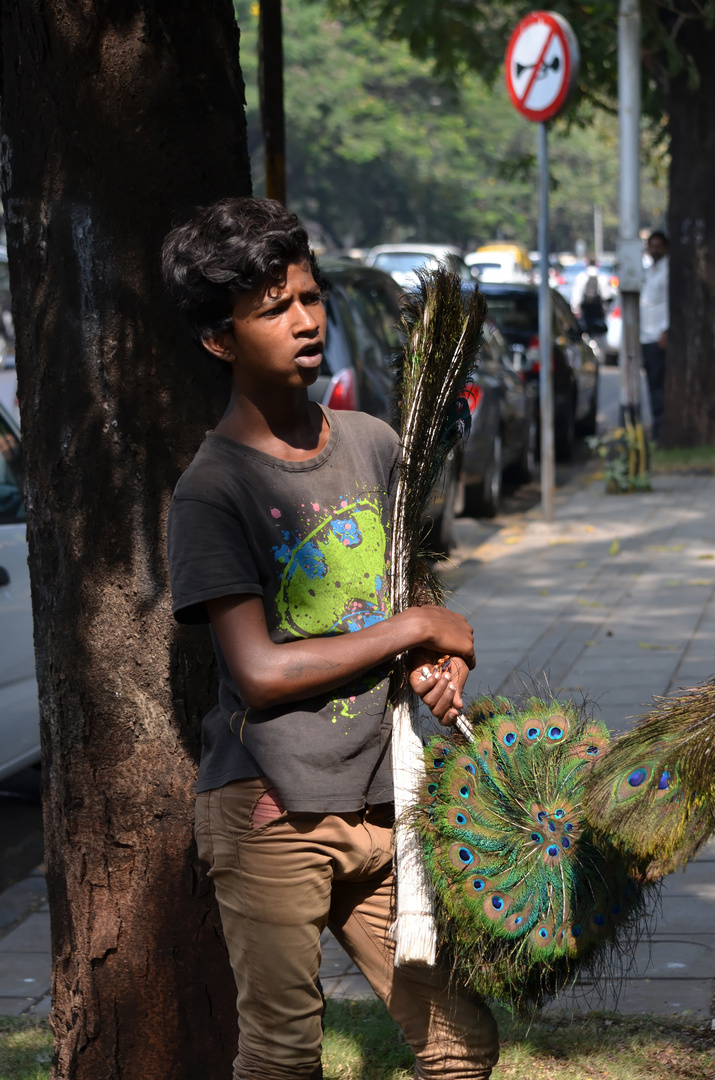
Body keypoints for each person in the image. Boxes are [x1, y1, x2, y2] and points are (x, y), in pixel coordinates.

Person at [162, 197, 499, 1080]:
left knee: (459, 1042)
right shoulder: (213, 490)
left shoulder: (373, 444)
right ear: (219, 341)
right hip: (273, 812)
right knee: (282, 1057)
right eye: (272, 309)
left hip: (383, 800)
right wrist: (416, 625)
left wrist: (435, 658)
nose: (305, 321)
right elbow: (260, 671)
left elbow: (406, 602)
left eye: (307, 297)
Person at [640, 231, 669, 442]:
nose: (654, 250)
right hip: (646, 336)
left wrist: (666, 332)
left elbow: (671, 303)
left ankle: (661, 431)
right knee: (652, 385)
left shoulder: (668, 271)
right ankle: (657, 430)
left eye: (658, 246)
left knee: (658, 386)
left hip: (658, 336)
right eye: (652, 246)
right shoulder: (651, 271)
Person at [571, 258, 609, 362]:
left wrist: (575, 309)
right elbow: (606, 296)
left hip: (586, 312)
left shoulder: (581, 277)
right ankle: (598, 356)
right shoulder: (602, 277)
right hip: (598, 312)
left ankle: (587, 356)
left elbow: (576, 296)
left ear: (586, 264)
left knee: (585, 335)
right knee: (599, 335)